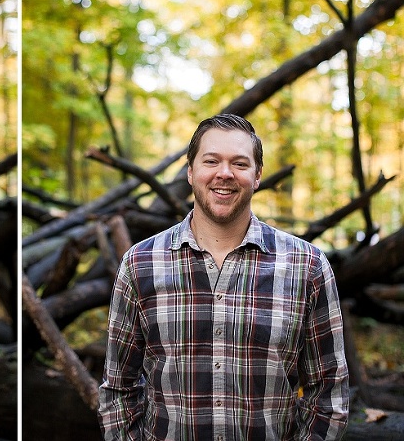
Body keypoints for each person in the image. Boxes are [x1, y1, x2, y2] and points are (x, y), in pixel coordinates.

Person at [98, 114, 349, 440]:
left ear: (257, 176)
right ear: (190, 172)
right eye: (211, 161)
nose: (225, 173)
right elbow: (119, 388)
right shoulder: (140, 263)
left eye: (240, 164)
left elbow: (329, 390)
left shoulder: (307, 266)